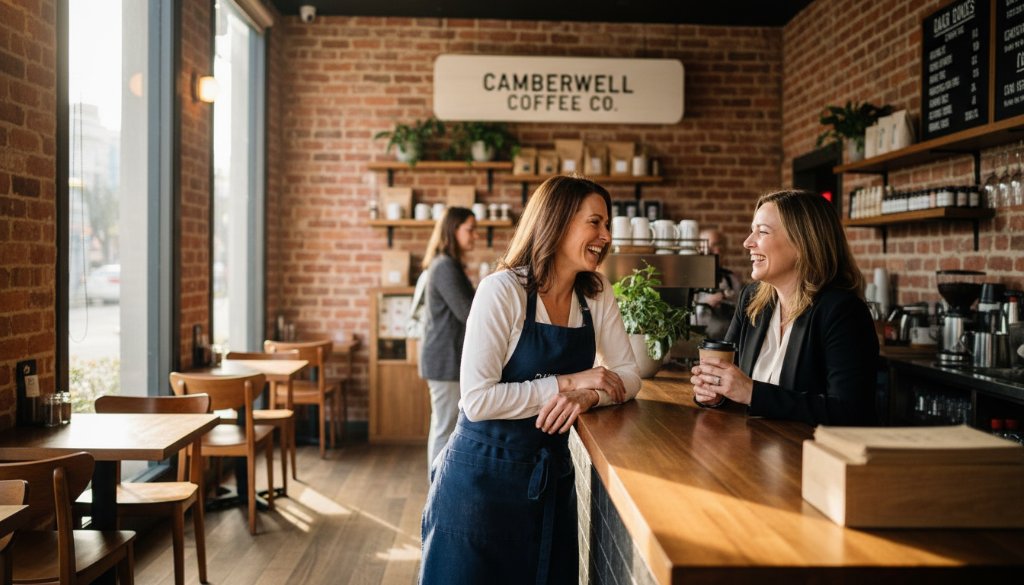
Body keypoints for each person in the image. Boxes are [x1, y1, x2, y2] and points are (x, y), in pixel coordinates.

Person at [420, 176, 642, 584]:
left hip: (548, 483)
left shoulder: (596, 293)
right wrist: (569, 383)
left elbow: (629, 375)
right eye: (595, 223)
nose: (606, 236)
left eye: (607, 225)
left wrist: (589, 397)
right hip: (479, 483)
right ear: (557, 223)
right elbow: (478, 400)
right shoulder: (501, 291)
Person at [690, 189, 878, 426]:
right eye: (752, 231)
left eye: (762, 232)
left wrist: (752, 393)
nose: (748, 242)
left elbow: (850, 412)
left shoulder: (842, 312)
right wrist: (713, 393)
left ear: (802, 243)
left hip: (809, 457)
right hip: (751, 451)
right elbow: (730, 380)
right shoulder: (752, 299)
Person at [419, 206, 477, 469]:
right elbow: (468, 312)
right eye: (470, 229)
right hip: (445, 360)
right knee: (444, 428)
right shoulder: (445, 266)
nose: (474, 235)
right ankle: (436, 491)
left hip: (446, 358)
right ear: (454, 230)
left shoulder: (448, 264)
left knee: (445, 425)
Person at [694, 228, 743, 339]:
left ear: (724, 250)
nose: (709, 250)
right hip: (696, 341)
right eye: (704, 246)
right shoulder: (689, 279)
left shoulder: (731, 279)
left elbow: (741, 314)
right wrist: (706, 303)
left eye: (714, 245)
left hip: (726, 342)